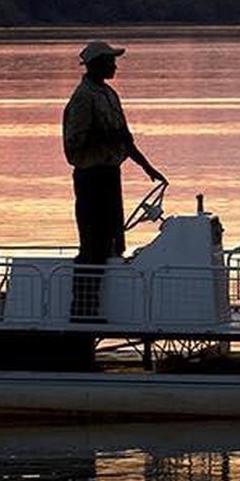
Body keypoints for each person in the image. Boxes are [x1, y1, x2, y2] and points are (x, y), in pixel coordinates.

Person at [62, 40, 164, 320]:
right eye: (110, 61)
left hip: (110, 175)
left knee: (112, 242)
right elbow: (75, 144)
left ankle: (98, 307)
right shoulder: (83, 98)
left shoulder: (109, 94)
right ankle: (82, 310)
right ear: (96, 65)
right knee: (92, 244)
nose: (115, 65)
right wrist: (107, 137)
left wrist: (147, 168)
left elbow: (124, 137)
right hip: (91, 177)